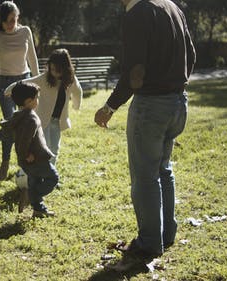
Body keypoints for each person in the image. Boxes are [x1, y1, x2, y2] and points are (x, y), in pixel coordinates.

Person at [94, 0, 196, 269]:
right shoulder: (172, 7)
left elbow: (134, 72)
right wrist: (176, 85)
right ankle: (166, 234)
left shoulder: (138, 13)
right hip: (177, 101)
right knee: (163, 169)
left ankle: (150, 241)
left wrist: (110, 106)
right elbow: (192, 55)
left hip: (151, 105)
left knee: (145, 176)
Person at [0, 1, 39, 181]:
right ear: (1, 21)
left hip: (25, 81)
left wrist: (39, 83)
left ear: (18, 17)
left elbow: (33, 59)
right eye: (7, 21)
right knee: (10, 125)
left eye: (14, 20)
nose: (11, 25)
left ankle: (28, 164)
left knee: (28, 124)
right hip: (5, 85)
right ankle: (5, 163)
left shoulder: (25, 32)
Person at [5, 48, 82, 165]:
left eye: (57, 70)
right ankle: (40, 170)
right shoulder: (44, 79)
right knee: (42, 147)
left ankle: (51, 170)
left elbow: (78, 92)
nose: (53, 72)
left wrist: (76, 105)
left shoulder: (71, 80)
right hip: (42, 119)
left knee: (54, 148)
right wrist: (10, 88)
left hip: (57, 120)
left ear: (65, 68)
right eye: (51, 69)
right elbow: (27, 81)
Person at [0, 81, 59, 217]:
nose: (38, 101)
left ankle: (38, 210)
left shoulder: (18, 115)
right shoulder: (31, 119)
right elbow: (24, 140)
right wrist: (27, 154)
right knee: (53, 178)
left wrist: (23, 157)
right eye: (36, 98)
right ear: (29, 101)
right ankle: (30, 195)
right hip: (36, 158)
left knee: (35, 180)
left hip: (26, 161)